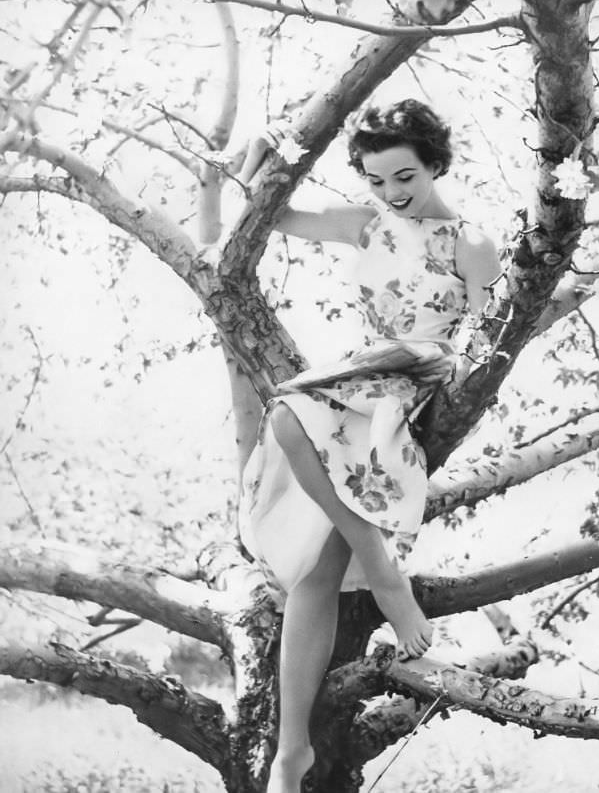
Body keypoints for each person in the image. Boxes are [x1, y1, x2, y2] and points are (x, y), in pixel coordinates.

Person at [235, 99, 501, 793]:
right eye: (377, 180)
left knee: (291, 415)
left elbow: (492, 332)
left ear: (436, 163)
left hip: (422, 371)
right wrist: (267, 153)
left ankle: (386, 577)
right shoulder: (366, 225)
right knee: (315, 572)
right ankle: (292, 751)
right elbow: (275, 215)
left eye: (404, 176)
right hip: (364, 374)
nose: (392, 193)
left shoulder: (470, 242)